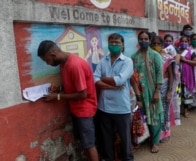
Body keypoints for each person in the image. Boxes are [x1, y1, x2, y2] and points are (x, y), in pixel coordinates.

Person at [37, 40, 99, 161]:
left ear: (53, 54)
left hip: (84, 110)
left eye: (46, 60)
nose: (47, 64)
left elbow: (82, 94)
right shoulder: (63, 63)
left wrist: (58, 97)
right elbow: (73, 86)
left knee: (89, 144)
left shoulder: (74, 65)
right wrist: (59, 89)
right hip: (76, 109)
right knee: (84, 143)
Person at [94, 33, 134, 161]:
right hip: (104, 107)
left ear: (122, 45)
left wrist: (103, 79)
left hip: (121, 107)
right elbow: (95, 79)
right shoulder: (103, 61)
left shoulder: (127, 61)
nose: (114, 44)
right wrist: (111, 86)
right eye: (111, 42)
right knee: (106, 139)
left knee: (125, 140)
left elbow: (120, 80)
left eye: (117, 42)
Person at [131, 31, 164, 153]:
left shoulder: (155, 55)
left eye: (146, 39)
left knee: (155, 115)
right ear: (138, 40)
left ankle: (155, 142)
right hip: (140, 92)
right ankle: (143, 138)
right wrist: (137, 95)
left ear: (149, 41)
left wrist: (157, 91)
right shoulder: (134, 57)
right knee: (141, 115)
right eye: (141, 39)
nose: (143, 41)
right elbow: (133, 77)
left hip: (152, 91)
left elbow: (160, 74)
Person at [151, 35, 179, 142]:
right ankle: (154, 133)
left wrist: (169, 92)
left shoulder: (168, 57)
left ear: (162, 45)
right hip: (152, 88)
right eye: (154, 44)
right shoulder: (150, 57)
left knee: (164, 110)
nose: (156, 46)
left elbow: (172, 76)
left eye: (158, 44)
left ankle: (164, 132)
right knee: (155, 111)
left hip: (165, 85)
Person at [179, 36, 196, 117]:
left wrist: (185, 60)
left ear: (188, 42)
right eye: (182, 41)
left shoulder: (191, 52)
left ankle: (185, 110)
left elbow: (195, 62)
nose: (184, 43)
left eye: (186, 41)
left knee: (186, 93)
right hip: (178, 76)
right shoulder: (177, 51)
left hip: (187, 75)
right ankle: (179, 109)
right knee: (179, 93)